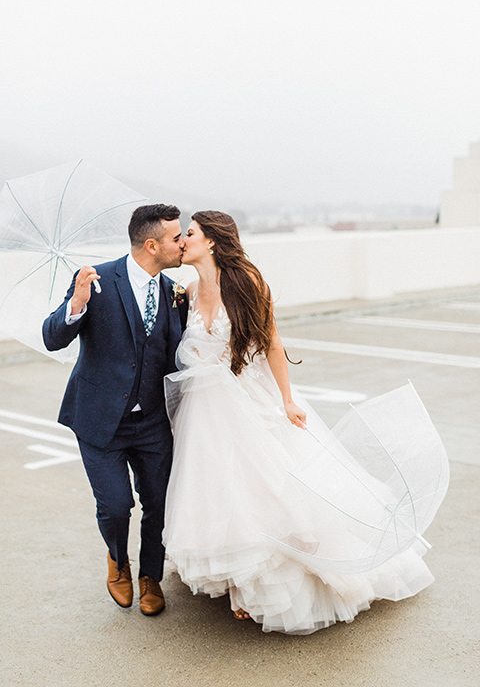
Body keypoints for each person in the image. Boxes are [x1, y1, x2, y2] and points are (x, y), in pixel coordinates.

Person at [163, 210, 444, 635]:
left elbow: (272, 342)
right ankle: (237, 576)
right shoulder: (186, 288)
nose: (183, 241)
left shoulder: (248, 283)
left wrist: (288, 400)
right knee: (220, 489)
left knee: (270, 486)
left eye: (190, 233)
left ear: (214, 241)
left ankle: (264, 583)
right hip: (204, 408)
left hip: (248, 398)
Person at [43, 204, 188, 616]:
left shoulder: (173, 291)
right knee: (115, 505)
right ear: (151, 244)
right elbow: (52, 337)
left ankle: (150, 577)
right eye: (176, 238)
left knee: (159, 503)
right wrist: (77, 304)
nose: (182, 244)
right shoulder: (97, 280)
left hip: (153, 422)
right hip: (99, 418)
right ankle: (117, 561)